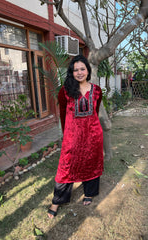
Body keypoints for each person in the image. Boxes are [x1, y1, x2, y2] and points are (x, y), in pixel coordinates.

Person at [48, 55, 103, 219]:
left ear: (88, 70)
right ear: (71, 72)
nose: (79, 72)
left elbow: (96, 112)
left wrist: (93, 131)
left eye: (82, 69)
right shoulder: (65, 91)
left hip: (93, 136)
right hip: (72, 138)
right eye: (75, 70)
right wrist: (67, 136)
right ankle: (57, 201)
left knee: (91, 164)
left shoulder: (97, 90)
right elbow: (63, 115)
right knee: (65, 169)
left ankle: (89, 192)